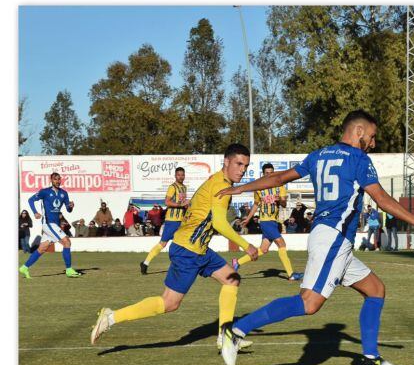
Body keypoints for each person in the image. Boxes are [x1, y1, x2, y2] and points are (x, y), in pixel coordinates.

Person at [214, 109, 414, 365]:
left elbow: (279, 178)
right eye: (371, 136)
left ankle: (370, 360)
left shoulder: (318, 155)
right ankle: (236, 331)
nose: (373, 143)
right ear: (358, 131)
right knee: (309, 304)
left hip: (332, 238)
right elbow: (382, 200)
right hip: (334, 237)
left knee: (375, 290)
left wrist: (242, 188)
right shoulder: (359, 159)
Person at [90, 143, 260, 353]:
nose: (242, 170)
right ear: (226, 162)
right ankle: (111, 317)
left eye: (246, 166)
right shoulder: (221, 186)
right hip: (188, 250)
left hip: (198, 249)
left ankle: (225, 336)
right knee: (169, 303)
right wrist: (246, 245)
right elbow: (218, 223)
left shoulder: (220, 181)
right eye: (238, 164)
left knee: (232, 279)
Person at [232, 162, 303, 281]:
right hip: (265, 221)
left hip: (274, 221)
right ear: (263, 174)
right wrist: (248, 219)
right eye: (267, 173)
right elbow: (256, 204)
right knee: (281, 243)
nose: (269, 175)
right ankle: (291, 274)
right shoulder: (259, 188)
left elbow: (284, 204)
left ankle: (237, 262)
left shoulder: (280, 186)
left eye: (271, 173)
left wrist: (280, 200)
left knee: (263, 249)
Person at [19, 172, 81, 278]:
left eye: (59, 179)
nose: (57, 181)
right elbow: (31, 200)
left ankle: (24, 267)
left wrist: (71, 206)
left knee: (42, 248)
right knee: (67, 242)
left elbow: (68, 210)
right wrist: (35, 212)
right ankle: (69, 270)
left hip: (55, 224)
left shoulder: (64, 193)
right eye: (55, 179)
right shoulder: (45, 192)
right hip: (48, 223)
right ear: (51, 180)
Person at [140, 167, 188, 274]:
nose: (181, 177)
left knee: (182, 243)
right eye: (179, 175)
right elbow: (167, 202)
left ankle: (179, 265)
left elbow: (182, 202)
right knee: (163, 243)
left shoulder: (184, 187)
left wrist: (186, 207)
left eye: (182, 175)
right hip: (172, 221)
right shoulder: (172, 187)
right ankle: (145, 263)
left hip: (181, 221)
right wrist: (181, 205)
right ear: (175, 176)